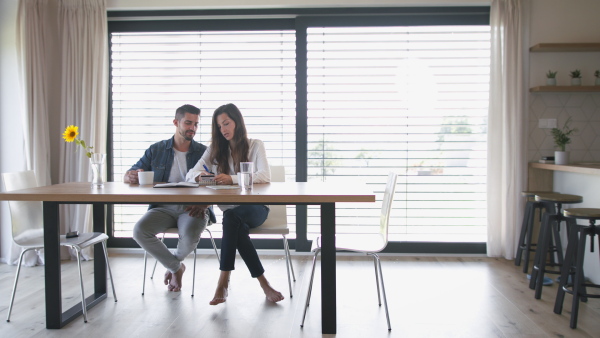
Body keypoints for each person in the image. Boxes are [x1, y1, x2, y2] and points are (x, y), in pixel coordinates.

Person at [186, 103, 284, 305]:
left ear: (237, 122)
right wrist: (201, 175)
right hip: (232, 214)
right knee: (232, 221)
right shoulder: (215, 149)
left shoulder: (255, 145)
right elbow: (190, 175)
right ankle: (264, 283)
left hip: (256, 209)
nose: (223, 129)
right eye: (219, 126)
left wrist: (231, 178)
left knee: (231, 219)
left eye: (227, 123)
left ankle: (223, 281)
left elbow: (265, 175)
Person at [124, 104, 215, 292]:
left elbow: (218, 182)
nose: (193, 128)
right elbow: (131, 172)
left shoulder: (204, 152)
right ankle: (176, 267)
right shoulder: (156, 150)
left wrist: (205, 203)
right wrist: (130, 175)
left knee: (189, 238)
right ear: (176, 122)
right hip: (162, 208)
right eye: (188, 123)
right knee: (139, 231)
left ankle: (173, 265)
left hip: (193, 208)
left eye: (196, 124)